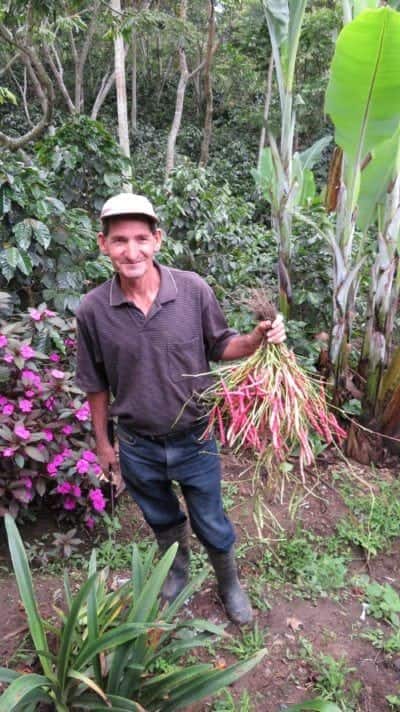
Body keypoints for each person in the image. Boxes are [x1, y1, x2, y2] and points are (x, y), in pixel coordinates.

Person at [75, 193, 286, 625]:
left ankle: (228, 582)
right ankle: (176, 575)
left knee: (210, 517)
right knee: (160, 516)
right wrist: (103, 444)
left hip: (195, 437)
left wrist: (257, 338)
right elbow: (94, 383)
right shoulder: (93, 309)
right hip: (137, 444)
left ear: (157, 239)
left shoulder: (192, 290)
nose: (131, 251)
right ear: (103, 244)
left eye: (140, 239)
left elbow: (223, 345)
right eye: (119, 241)